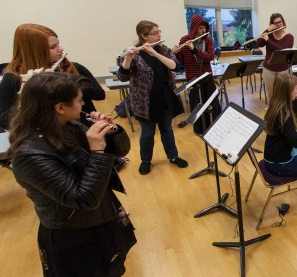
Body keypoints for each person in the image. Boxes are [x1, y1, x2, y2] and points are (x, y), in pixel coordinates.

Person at [9, 73, 142, 277]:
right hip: (72, 233)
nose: (84, 106)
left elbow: (121, 151)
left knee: (100, 276)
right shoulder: (29, 153)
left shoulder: (68, 125)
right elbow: (84, 199)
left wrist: (111, 131)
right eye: (80, 101)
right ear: (59, 107)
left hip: (96, 221)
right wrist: (97, 150)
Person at [0, 23, 105, 130]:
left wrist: (66, 81)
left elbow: (99, 94)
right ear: (35, 52)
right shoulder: (13, 79)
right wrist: (25, 97)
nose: (61, 49)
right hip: (44, 137)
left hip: (84, 129)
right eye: (53, 47)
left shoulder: (72, 68)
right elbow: (4, 121)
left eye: (58, 44)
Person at [117, 20, 188, 175]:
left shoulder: (163, 49)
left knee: (166, 129)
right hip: (144, 100)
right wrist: (128, 59)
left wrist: (154, 53)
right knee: (148, 133)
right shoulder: (133, 53)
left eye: (158, 32)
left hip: (164, 96)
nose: (158, 35)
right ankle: (146, 161)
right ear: (143, 36)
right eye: (154, 33)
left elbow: (174, 66)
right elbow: (122, 77)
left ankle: (173, 156)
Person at [175, 14, 220, 133]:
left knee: (212, 104)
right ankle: (200, 130)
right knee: (197, 105)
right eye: (200, 28)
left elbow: (210, 57)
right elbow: (180, 62)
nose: (203, 30)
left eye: (204, 27)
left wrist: (194, 49)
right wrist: (176, 53)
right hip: (193, 77)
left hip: (206, 76)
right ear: (194, 27)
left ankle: (215, 128)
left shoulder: (208, 40)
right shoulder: (184, 40)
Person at [257, 13, 294, 102]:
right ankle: (273, 115)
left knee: (284, 95)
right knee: (271, 96)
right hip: (269, 69)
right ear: (272, 25)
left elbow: (281, 51)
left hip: (284, 69)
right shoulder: (268, 35)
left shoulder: (289, 37)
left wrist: (268, 40)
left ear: (283, 22)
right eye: (276, 23)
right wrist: (267, 30)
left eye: (280, 22)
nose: (279, 24)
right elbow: (259, 43)